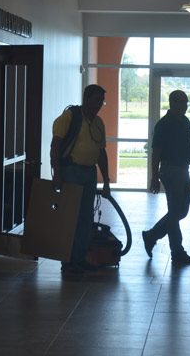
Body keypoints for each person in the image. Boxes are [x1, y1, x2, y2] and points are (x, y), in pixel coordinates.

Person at [50, 84, 111, 274]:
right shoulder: (70, 117)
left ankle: (79, 257)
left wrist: (106, 180)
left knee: (85, 218)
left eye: (101, 101)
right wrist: (57, 174)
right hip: (71, 172)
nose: (99, 104)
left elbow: (101, 153)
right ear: (86, 99)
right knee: (71, 217)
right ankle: (67, 261)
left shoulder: (98, 123)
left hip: (89, 173)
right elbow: (56, 146)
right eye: (96, 100)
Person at [142, 90, 190, 265]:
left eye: (186, 103)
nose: (184, 106)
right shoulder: (164, 125)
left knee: (180, 212)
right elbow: (157, 152)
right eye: (181, 103)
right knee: (176, 212)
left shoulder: (185, 122)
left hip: (183, 170)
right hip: (170, 171)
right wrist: (154, 176)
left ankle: (151, 235)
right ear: (172, 103)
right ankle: (177, 252)